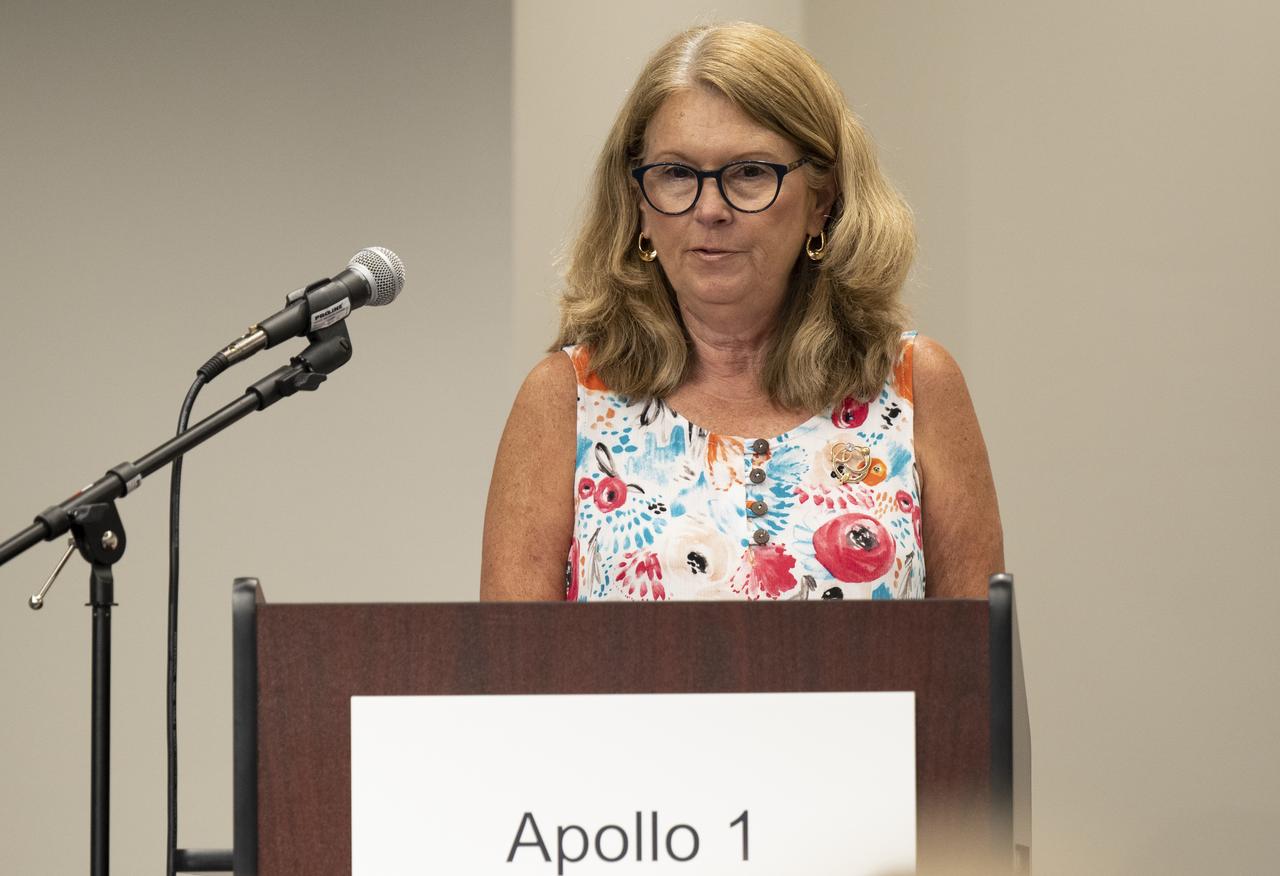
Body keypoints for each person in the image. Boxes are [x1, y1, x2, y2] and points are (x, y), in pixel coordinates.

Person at [481, 22, 1002, 602]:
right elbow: (512, 682)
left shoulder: (915, 387)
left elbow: (977, 678)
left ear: (821, 202)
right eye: (676, 174)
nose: (709, 209)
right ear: (639, 204)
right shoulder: (564, 402)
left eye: (749, 172)